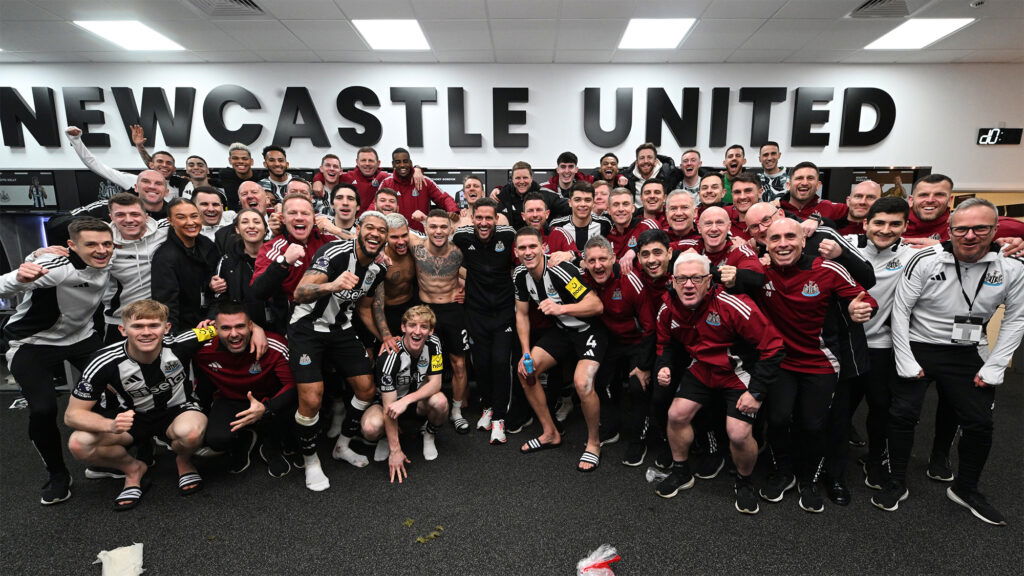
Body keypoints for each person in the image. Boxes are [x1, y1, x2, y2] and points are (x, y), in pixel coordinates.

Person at [883, 198, 1024, 526]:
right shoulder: (926, 260)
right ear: (949, 230)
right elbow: (900, 311)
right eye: (961, 228)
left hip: (967, 350)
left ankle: (966, 488)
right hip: (919, 344)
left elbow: (1016, 319)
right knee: (902, 413)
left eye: (980, 228)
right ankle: (896, 480)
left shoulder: (1012, 266)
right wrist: (904, 359)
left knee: (979, 422)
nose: (970, 235)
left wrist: (995, 366)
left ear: (995, 231)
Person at [754, 218, 876, 513]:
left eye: (789, 237)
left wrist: (862, 308)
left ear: (802, 240)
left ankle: (809, 479)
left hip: (820, 362)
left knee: (813, 425)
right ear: (766, 244)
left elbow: (864, 297)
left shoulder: (827, 268)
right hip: (782, 362)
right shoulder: (762, 271)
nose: (783, 243)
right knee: (779, 419)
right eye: (775, 239)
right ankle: (784, 472)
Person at [653, 253, 784, 514]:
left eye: (696, 278)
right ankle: (681, 471)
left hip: (738, 372)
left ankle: (744, 481)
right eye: (682, 279)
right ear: (673, 281)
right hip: (701, 368)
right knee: (676, 415)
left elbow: (774, 347)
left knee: (737, 432)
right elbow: (665, 344)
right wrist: (664, 365)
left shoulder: (733, 304)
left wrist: (756, 391)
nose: (688, 285)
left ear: (709, 280)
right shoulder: (667, 307)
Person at [1, 218, 113, 504]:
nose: (101, 250)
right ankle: (57, 474)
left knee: (116, 390)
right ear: (72, 246)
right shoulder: (55, 267)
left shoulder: (110, 259)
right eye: (91, 244)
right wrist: (21, 276)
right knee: (43, 408)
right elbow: (7, 285)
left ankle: (99, 458)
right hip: (33, 343)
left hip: (82, 338)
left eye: (106, 243)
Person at [64, 300, 208, 510]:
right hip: (132, 417)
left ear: (166, 328)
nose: (146, 332)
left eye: (154, 325)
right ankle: (132, 470)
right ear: (123, 330)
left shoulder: (181, 341)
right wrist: (109, 426)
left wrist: (257, 329)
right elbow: (72, 414)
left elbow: (224, 326)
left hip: (178, 411)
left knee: (191, 433)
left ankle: (184, 461)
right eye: (138, 326)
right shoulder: (103, 361)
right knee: (79, 443)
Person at [290, 212, 389, 491]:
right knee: (311, 398)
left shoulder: (377, 269)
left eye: (382, 231)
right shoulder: (334, 252)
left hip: (340, 329)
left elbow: (366, 308)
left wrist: (386, 336)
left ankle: (342, 446)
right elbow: (300, 292)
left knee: (367, 389)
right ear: (358, 229)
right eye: (370, 227)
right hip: (307, 327)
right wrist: (332, 284)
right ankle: (310, 461)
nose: (375, 234)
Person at [513, 226, 606, 472]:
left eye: (532, 246)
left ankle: (594, 443)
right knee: (525, 371)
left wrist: (560, 308)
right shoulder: (520, 275)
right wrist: (525, 353)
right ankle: (550, 432)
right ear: (515, 252)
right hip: (562, 332)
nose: (528, 252)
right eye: (522, 248)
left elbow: (595, 305)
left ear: (543, 248)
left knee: (582, 383)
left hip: (589, 331)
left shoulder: (559, 270)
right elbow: (521, 314)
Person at [843, 197, 917, 491]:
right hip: (845, 345)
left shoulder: (913, 255)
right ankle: (830, 459)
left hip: (882, 346)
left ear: (905, 226)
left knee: (880, 408)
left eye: (894, 224)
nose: (886, 230)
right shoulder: (847, 243)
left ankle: (875, 460)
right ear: (866, 223)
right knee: (840, 408)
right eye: (879, 223)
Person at [194, 303, 297, 478]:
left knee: (295, 428)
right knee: (216, 440)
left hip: (269, 400)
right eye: (225, 328)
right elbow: (168, 340)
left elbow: (293, 385)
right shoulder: (201, 347)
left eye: (240, 326)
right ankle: (245, 438)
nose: (234, 334)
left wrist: (267, 408)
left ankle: (271, 445)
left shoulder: (274, 345)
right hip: (230, 399)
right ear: (215, 328)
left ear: (251, 326)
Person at [581, 236, 655, 465]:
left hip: (638, 342)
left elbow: (651, 328)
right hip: (611, 341)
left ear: (613, 258)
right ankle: (611, 427)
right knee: (599, 380)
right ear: (584, 263)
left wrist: (644, 366)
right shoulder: (582, 279)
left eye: (603, 259)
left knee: (637, 386)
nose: (597, 265)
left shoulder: (630, 281)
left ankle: (639, 440)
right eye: (591, 260)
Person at [452, 198, 520, 443]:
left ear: (495, 219)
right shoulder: (462, 237)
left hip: (503, 312)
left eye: (488, 218)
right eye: (479, 218)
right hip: (476, 313)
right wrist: (460, 282)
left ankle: (500, 418)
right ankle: (488, 408)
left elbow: (530, 247)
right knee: (481, 363)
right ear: (472, 218)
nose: (483, 222)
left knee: (500, 362)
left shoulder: (508, 235)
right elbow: (434, 242)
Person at [364, 306, 449, 482]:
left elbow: (436, 383)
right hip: (389, 405)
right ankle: (386, 439)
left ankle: (429, 433)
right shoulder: (390, 356)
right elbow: (389, 407)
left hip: (415, 403)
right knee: (370, 428)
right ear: (403, 327)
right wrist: (396, 451)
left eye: (424, 327)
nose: (418, 332)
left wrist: (408, 400)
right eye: (412, 325)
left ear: (430, 330)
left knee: (440, 402)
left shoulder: (434, 343)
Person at [408, 210, 470, 434]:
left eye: (443, 227)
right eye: (433, 226)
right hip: (425, 310)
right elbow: (380, 234)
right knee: (423, 362)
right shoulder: (415, 245)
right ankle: (425, 406)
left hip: (452, 311)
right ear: (425, 227)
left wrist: (465, 287)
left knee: (459, 364)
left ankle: (456, 411)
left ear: (451, 229)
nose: (438, 231)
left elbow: (478, 274)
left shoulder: (459, 252)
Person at [251, 193, 339, 335]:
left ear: (314, 218)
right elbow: (258, 292)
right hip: (296, 327)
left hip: (334, 324)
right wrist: (284, 262)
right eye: (292, 213)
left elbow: (362, 251)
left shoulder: (329, 241)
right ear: (283, 219)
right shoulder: (273, 247)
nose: (299, 217)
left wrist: (335, 229)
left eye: (305, 213)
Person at [151, 198, 220, 333]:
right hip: (183, 331)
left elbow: (218, 291)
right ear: (170, 221)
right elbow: (167, 305)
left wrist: (212, 317)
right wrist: (172, 342)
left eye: (194, 216)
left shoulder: (208, 246)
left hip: (210, 323)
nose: (190, 222)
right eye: (181, 217)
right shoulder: (165, 257)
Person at [903, 174, 1024, 243]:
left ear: (950, 200)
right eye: (923, 195)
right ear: (911, 200)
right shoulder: (893, 225)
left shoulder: (967, 225)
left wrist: (1019, 245)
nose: (930, 200)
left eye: (939, 195)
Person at [216, 209, 275, 329]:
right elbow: (221, 298)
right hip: (239, 329)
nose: (251, 226)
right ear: (237, 229)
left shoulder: (278, 255)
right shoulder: (228, 261)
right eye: (245, 222)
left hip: (276, 326)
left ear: (265, 229)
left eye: (257, 222)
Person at [378, 148, 459, 232]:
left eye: (405, 161)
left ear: (411, 163)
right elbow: (375, 204)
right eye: (398, 162)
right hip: (397, 236)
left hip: (422, 237)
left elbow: (444, 198)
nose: (402, 165)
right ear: (393, 164)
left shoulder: (424, 181)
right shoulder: (387, 183)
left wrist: (454, 212)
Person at [491, 161, 570, 229]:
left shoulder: (547, 195)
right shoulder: (502, 196)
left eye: (525, 177)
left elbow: (571, 207)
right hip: (512, 243)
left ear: (531, 178)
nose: (521, 181)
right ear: (512, 179)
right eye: (518, 178)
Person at [605, 187, 660, 268]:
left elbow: (660, 244)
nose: (621, 209)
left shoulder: (647, 225)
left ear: (633, 208)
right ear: (609, 210)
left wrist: (633, 251)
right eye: (616, 205)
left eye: (625, 204)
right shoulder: (606, 235)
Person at [548, 181, 612, 250]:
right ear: (570, 203)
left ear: (593, 203)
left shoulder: (604, 224)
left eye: (587, 200)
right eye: (577, 200)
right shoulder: (557, 225)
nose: (582, 204)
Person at [777, 161, 848, 223]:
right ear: (788, 185)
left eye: (810, 178)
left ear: (818, 185)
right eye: (799, 178)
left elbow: (856, 211)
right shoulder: (775, 210)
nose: (804, 183)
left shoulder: (830, 208)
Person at [218, 143, 263, 210]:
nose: (240, 161)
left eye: (244, 158)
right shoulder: (225, 175)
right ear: (230, 160)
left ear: (251, 161)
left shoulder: (260, 177)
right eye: (235, 158)